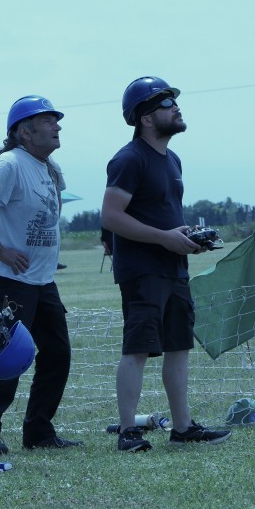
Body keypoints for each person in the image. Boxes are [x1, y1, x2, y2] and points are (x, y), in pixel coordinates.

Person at [101, 76, 231, 453]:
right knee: (137, 348)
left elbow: (161, 214)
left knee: (178, 347)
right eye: (166, 103)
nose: (175, 107)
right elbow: (111, 216)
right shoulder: (129, 159)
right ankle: (128, 432)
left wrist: (187, 239)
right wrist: (163, 237)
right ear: (145, 117)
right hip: (142, 271)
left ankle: (183, 427)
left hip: (174, 267)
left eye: (174, 101)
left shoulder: (172, 159)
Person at [0, 95, 82, 455]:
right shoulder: (9, 165)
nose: (57, 126)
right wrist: (0, 249)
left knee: (57, 354)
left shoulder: (51, 168)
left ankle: (39, 432)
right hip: (12, 278)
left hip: (43, 280)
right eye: (48, 121)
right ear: (24, 131)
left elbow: (53, 210)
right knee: (9, 355)